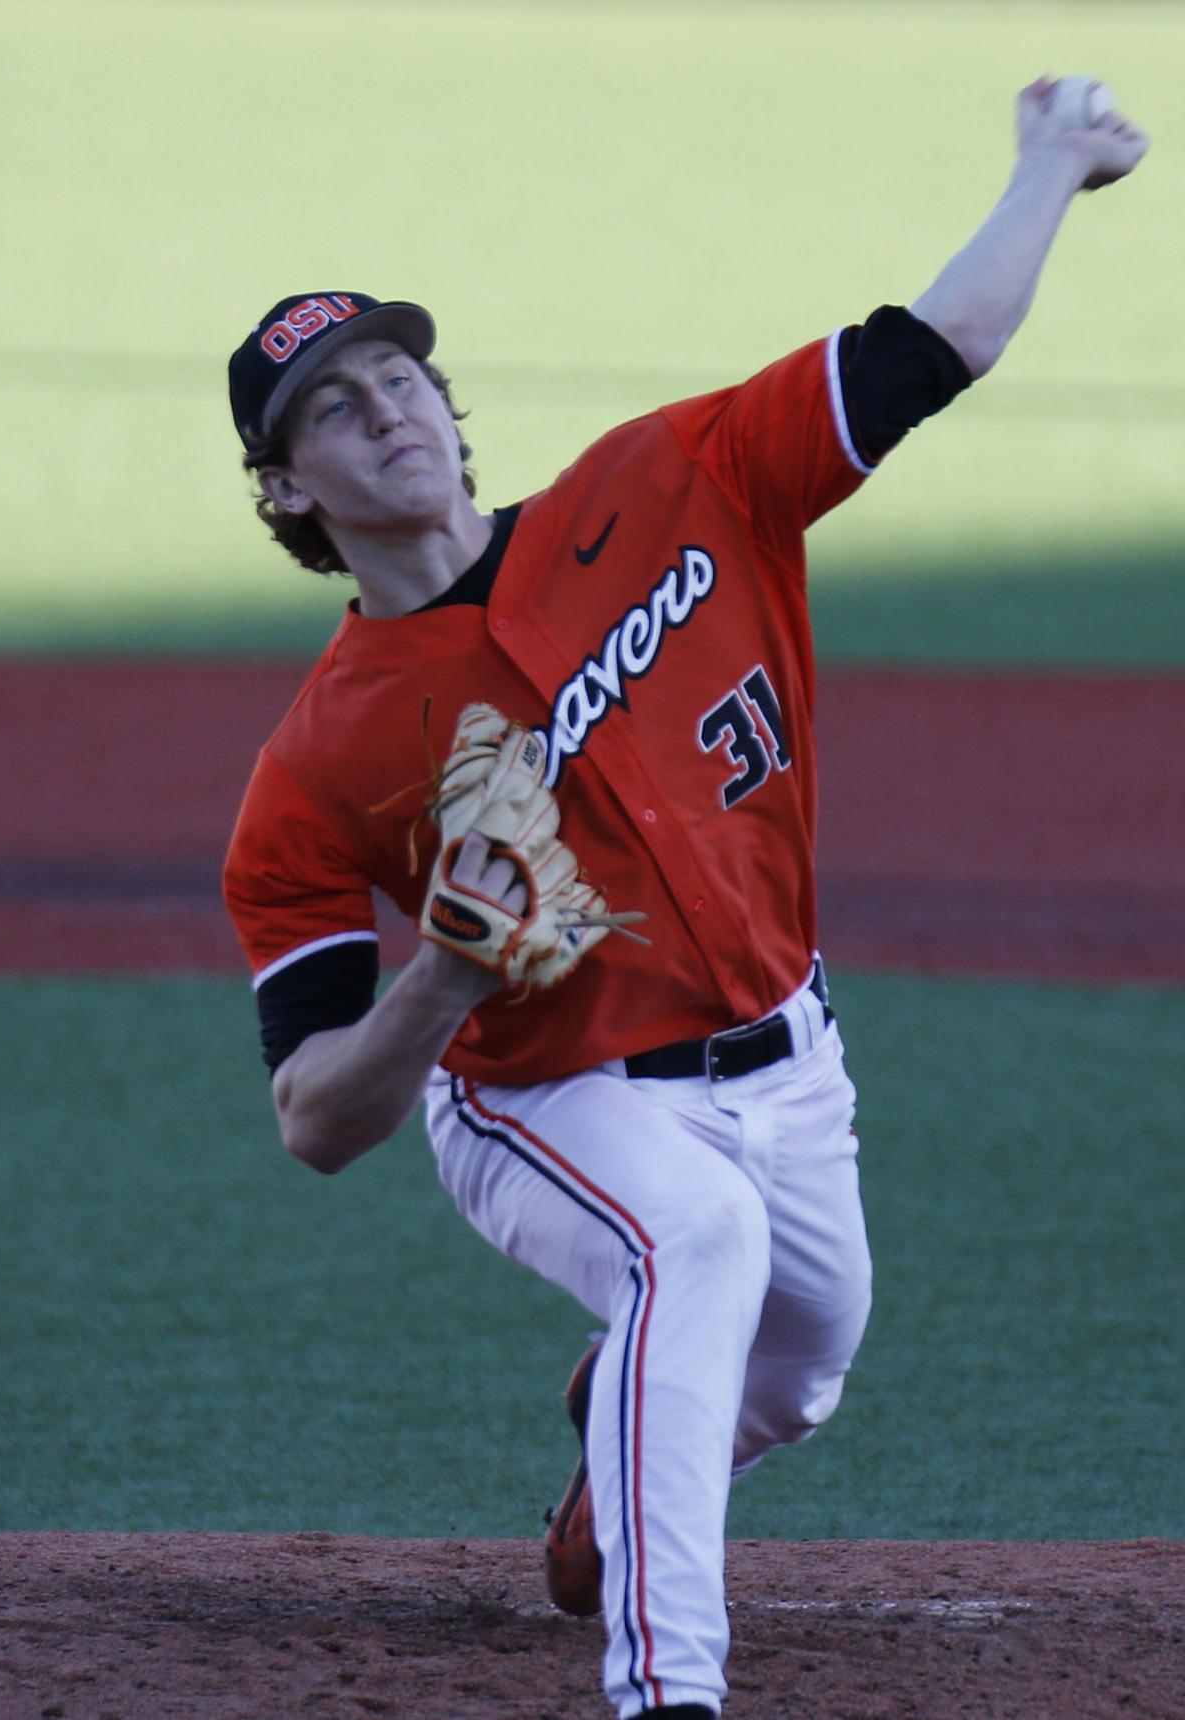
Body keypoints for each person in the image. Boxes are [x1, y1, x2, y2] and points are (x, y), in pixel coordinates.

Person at [223, 81, 1147, 1719]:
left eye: (399, 375)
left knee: (799, 1371)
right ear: (289, 492)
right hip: (549, 1096)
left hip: (792, 1056)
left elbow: (936, 347)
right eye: (333, 411)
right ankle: (670, 1690)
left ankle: (609, 1466)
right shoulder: (316, 765)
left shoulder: (671, 480)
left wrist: (1051, 168)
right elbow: (316, 1118)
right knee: (693, 1237)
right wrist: (439, 978)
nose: (388, 412)